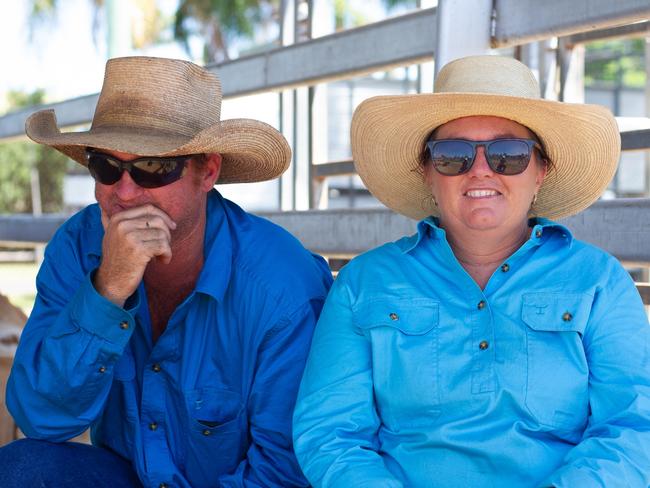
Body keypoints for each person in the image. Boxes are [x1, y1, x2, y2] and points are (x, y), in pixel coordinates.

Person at [292, 55, 650, 487]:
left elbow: (634, 427)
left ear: (541, 171)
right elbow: (330, 434)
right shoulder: (363, 283)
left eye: (508, 154)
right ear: (427, 172)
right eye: (452, 154)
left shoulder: (599, 282)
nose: (480, 169)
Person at [0, 56, 333, 488]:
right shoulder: (79, 245)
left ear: (207, 171)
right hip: (126, 475)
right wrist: (109, 289)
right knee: (22, 470)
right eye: (104, 165)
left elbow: (285, 471)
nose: (124, 192)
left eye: (153, 167)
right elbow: (40, 418)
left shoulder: (282, 288)